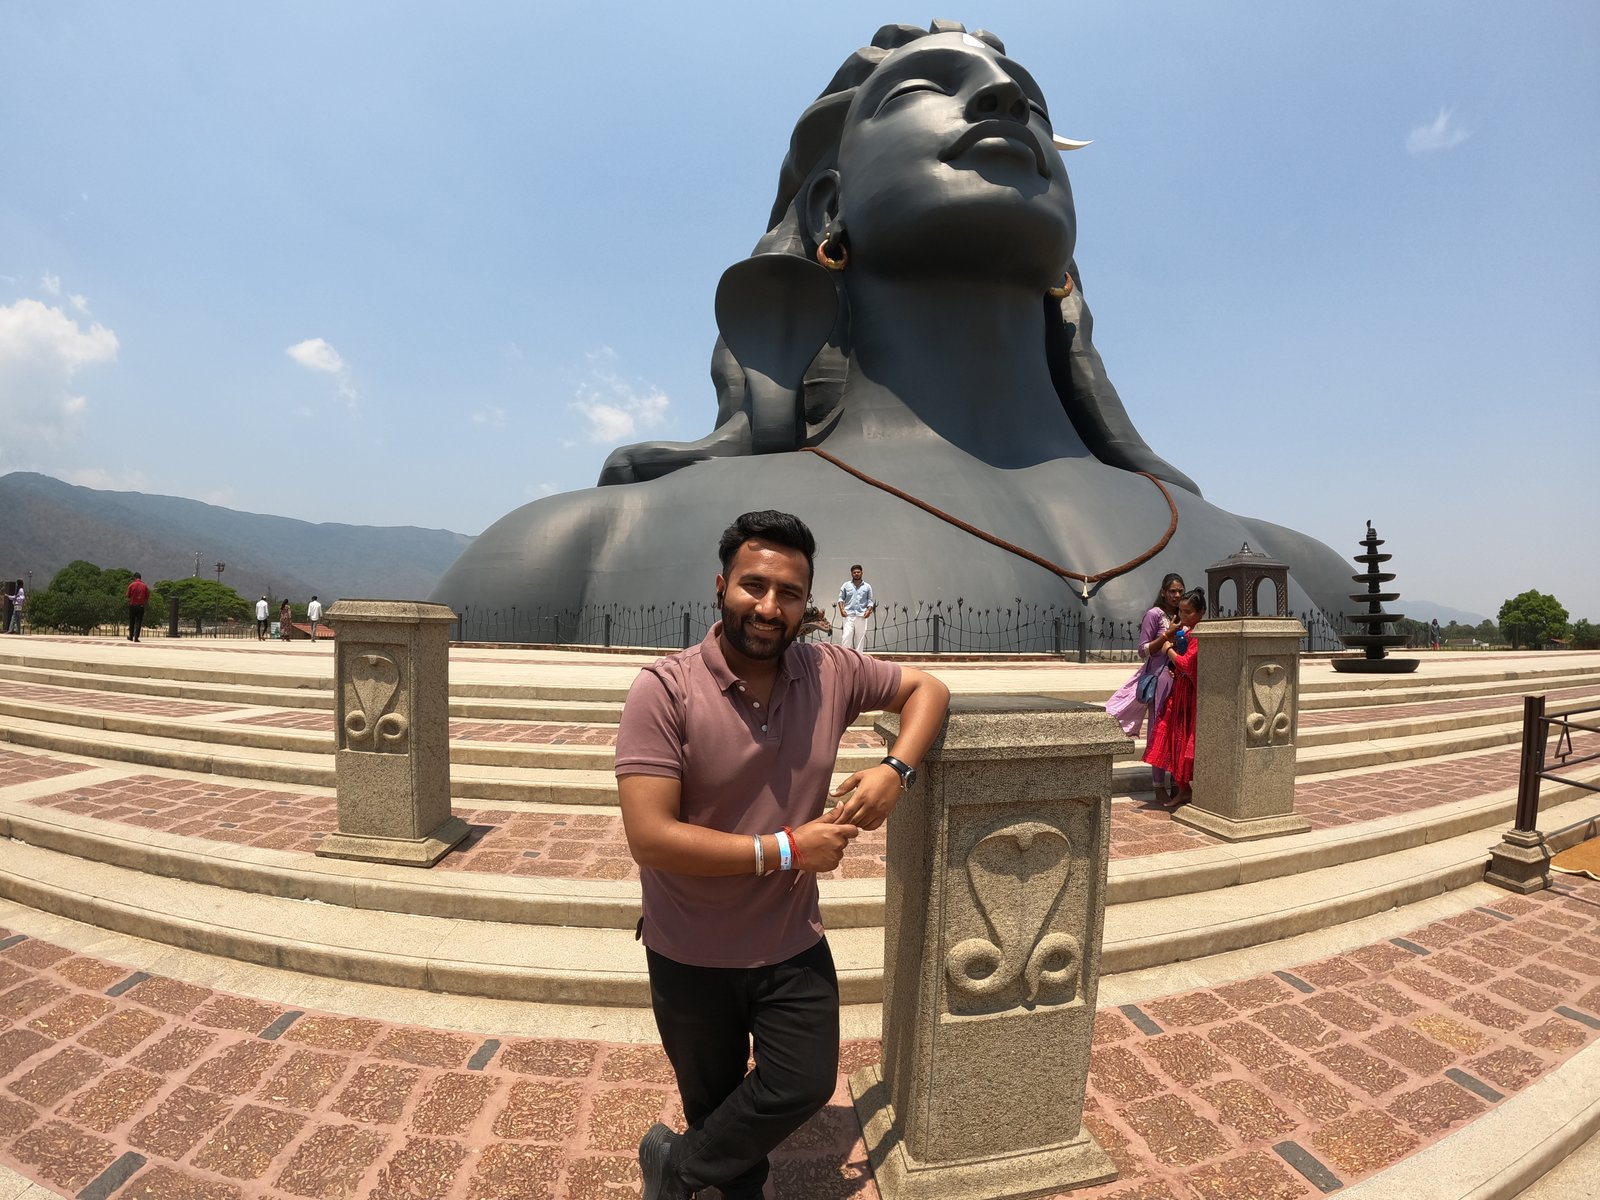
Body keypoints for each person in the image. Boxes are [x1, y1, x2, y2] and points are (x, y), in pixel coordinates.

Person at [616, 510, 949, 1200]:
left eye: (789, 593)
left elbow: (928, 689)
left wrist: (896, 770)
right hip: (690, 947)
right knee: (716, 1109)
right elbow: (649, 835)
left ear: (808, 603)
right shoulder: (665, 688)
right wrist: (789, 848)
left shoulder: (829, 671)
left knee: (802, 1081)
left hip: (789, 939)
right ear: (721, 587)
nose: (769, 608)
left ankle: (674, 1167)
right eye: (754, 586)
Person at [1105, 572, 1185, 799]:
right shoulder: (1154, 615)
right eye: (1172, 591)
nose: (1176, 595)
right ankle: (1158, 785)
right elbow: (1143, 649)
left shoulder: (1183, 614)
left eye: (1180, 591)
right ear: (1163, 592)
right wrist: (1167, 635)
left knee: (1177, 730)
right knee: (1159, 729)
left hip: (1179, 678)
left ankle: (1176, 782)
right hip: (1160, 679)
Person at [1144, 587, 1207, 810]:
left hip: (1189, 696)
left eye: (1188, 612)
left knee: (1183, 737)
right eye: (1180, 611)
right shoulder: (1188, 633)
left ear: (1201, 612)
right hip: (1179, 691)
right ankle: (1182, 788)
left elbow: (1187, 664)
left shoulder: (1199, 635)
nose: (1183, 616)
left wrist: (1168, 650)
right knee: (1174, 737)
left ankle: (1185, 787)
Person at [835, 563, 875, 650]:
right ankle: (845, 656)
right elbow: (841, 598)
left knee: (860, 640)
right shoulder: (846, 585)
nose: (856, 574)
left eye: (858, 572)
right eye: (854, 572)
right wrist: (841, 610)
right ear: (851, 573)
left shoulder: (867, 587)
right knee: (846, 637)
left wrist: (868, 611)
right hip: (848, 615)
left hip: (862, 615)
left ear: (862, 573)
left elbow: (870, 601)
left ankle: (858, 657)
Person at [126, 572, 150, 643]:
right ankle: (136, 637)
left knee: (132, 621)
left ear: (135, 578)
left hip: (132, 605)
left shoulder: (131, 585)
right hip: (141, 606)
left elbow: (128, 595)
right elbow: (147, 596)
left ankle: (131, 636)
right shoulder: (145, 586)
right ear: (140, 578)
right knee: (138, 621)